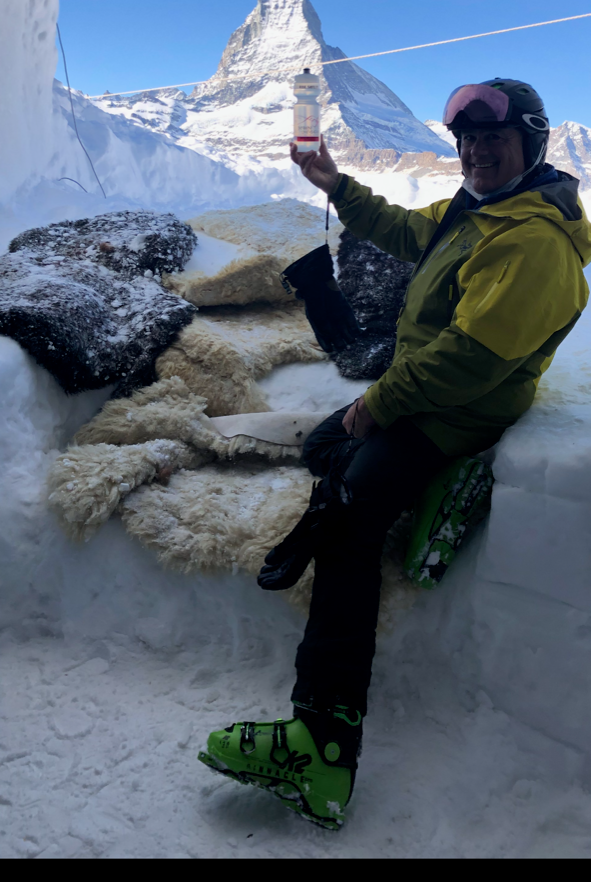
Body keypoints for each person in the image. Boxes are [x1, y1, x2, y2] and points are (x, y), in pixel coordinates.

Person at [199, 78, 591, 830]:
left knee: (348, 516)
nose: (475, 152)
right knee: (325, 445)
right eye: (466, 142)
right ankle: (392, 478)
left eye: (493, 140)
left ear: (533, 144)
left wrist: (377, 405)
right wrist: (335, 185)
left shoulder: (532, 241)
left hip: (458, 412)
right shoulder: (480, 210)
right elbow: (412, 232)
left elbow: (467, 362)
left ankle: (322, 744)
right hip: (426, 390)